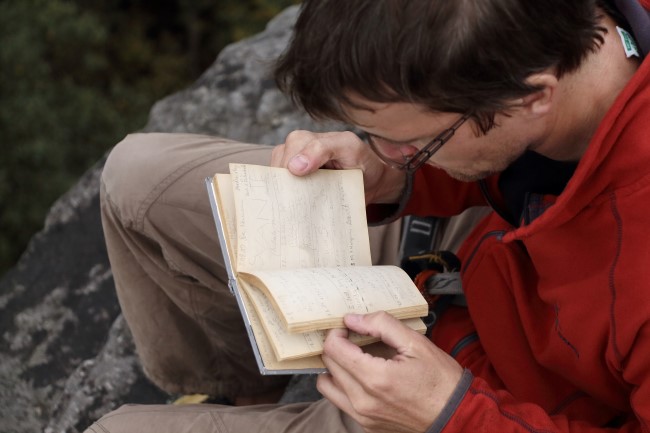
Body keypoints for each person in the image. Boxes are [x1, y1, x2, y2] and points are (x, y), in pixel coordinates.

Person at [85, 0, 650, 432]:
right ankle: (242, 390)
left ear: (533, 97)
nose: (382, 149)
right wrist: (393, 175)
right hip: (479, 256)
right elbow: (497, 157)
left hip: (493, 402)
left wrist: (450, 412)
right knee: (139, 180)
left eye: (414, 142)